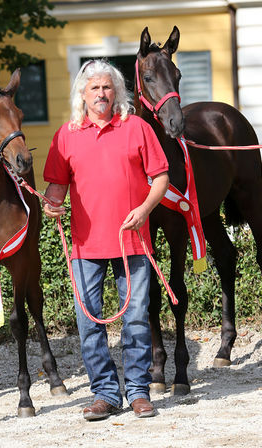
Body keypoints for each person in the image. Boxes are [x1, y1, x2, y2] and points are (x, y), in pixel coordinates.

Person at [42, 59, 169, 420]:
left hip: (133, 244)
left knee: (136, 321)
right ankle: (105, 393)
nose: (101, 93)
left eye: (107, 87)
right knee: (89, 325)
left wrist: (144, 210)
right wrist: (52, 206)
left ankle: (138, 392)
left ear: (118, 92)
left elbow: (160, 178)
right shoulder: (65, 135)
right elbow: (56, 191)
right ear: (82, 94)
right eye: (94, 88)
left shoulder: (138, 128)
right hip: (84, 247)